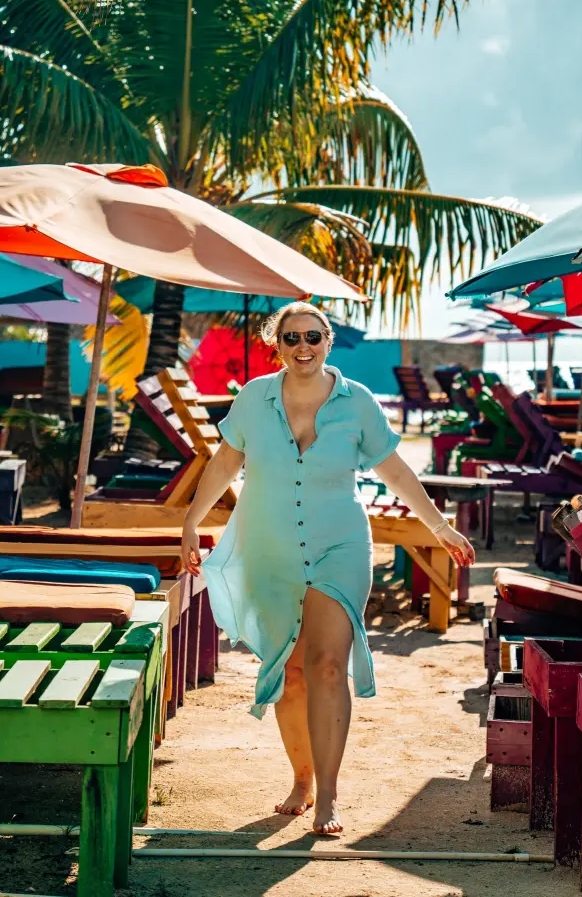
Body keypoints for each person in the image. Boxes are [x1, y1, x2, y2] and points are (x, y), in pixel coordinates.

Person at [181, 302, 475, 835]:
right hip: (271, 546)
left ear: (328, 340)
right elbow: (226, 461)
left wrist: (439, 526)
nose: (303, 346)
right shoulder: (254, 398)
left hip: (339, 544)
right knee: (291, 674)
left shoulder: (356, 402)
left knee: (326, 667)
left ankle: (329, 798)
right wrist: (190, 522)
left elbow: (394, 468)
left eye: (313, 336)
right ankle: (301, 779)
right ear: (277, 343)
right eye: (291, 337)